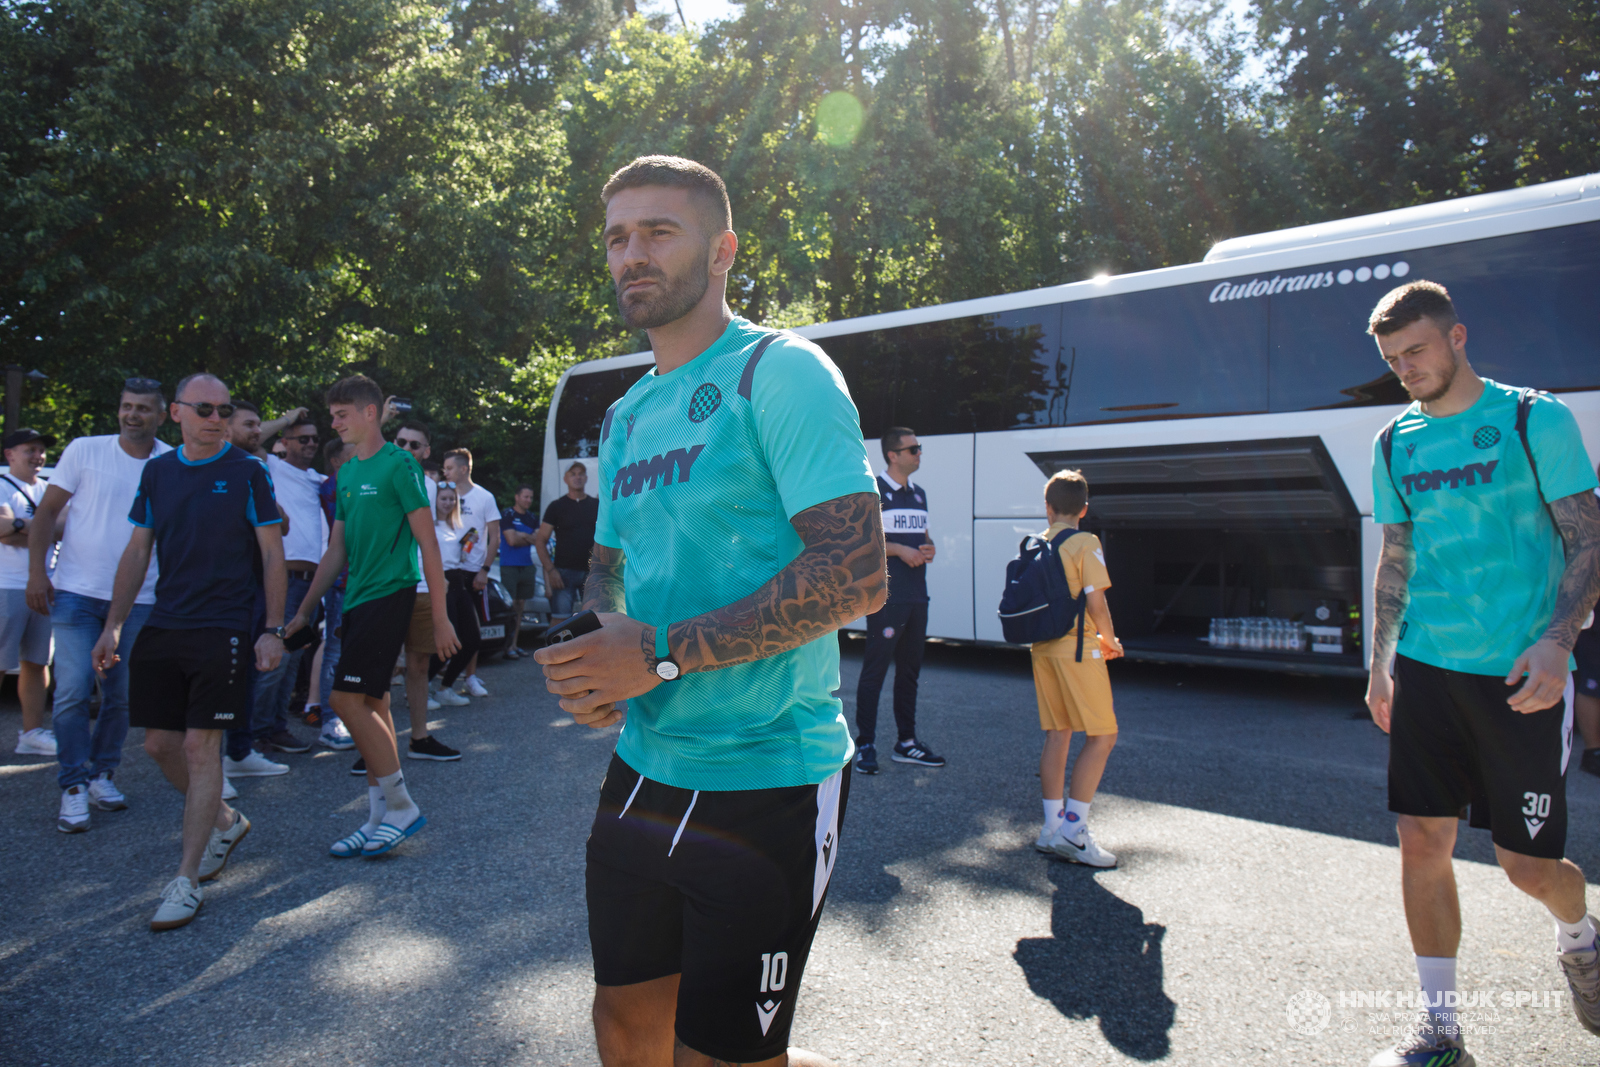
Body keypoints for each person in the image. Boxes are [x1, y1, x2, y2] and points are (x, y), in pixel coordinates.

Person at [533, 155, 885, 1067]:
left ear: (722, 249)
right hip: (645, 765)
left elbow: (854, 572)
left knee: (723, 1056)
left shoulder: (783, 371)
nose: (631, 254)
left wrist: (653, 655)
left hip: (771, 775)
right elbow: (607, 569)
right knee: (623, 1021)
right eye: (617, 237)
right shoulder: (627, 415)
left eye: (659, 231)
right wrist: (593, 652)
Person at [1362, 281, 1600, 1066]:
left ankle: (1582, 935)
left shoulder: (1535, 418)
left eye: (1417, 350)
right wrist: (1381, 663)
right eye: (1394, 360)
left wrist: (1559, 641)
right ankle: (1441, 1030)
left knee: (1528, 866)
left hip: (1519, 673)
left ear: (1458, 336)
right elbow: (1395, 557)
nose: (1407, 368)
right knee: (1420, 839)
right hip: (1428, 664)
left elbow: (1588, 541)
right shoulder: (1394, 442)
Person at [91, 373, 285, 930]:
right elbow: (137, 548)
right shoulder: (157, 471)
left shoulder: (249, 471)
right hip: (166, 621)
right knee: (157, 745)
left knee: (204, 749)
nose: (216, 418)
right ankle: (226, 820)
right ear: (176, 413)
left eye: (224, 409)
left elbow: (273, 553)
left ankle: (185, 879)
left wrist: (272, 628)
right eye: (204, 408)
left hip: (224, 625)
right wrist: (113, 625)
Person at [284, 374, 459, 858]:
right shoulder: (345, 475)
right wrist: (302, 612)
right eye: (333, 414)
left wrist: (441, 618)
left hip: (391, 594)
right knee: (375, 705)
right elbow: (335, 549)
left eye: (342, 414)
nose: (334, 423)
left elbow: (428, 544)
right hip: (356, 598)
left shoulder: (400, 465)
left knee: (344, 699)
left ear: (369, 412)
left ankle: (401, 806)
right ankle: (378, 815)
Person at [28, 378, 172, 832]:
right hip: (75, 591)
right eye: (127, 406)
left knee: (121, 695)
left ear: (162, 415)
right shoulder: (84, 450)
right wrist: (38, 573)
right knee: (71, 689)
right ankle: (72, 785)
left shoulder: (171, 462)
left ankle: (101, 774)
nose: (133, 415)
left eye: (144, 409)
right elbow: (46, 513)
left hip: (142, 598)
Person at [1029, 470, 1122, 868]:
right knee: (1103, 736)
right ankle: (1074, 830)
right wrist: (1110, 640)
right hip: (1078, 649)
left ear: (1047, 509)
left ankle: (1051, 828)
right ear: (1084, 509)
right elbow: (1096, 603)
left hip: (1042, 648)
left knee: (1057, 733)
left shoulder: (1038, 541)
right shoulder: (1086, 542)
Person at [853, 426, 941, 774]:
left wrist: (927, 548)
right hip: (886, 598)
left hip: (918, 596)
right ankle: (866, 745)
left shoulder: (919, 494)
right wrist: (901, 550)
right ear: (893, 455)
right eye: (913, 449)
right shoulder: (874, 491)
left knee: (910, 672)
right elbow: (862, 544)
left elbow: (924, 537)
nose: (919, 454)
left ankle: (906, 742)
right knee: (874, 671)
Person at [248, 413, 327, 755]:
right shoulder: (273, 469)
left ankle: (275, 729)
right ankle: (251, 735)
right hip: (287, 580)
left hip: (313, 585)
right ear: (285, 443)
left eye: (314, 439)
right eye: (302, 438)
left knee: (293, 661)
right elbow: (252, 439)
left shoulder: (318, 479)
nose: (310, 443)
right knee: (274, 659)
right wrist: (288, 418)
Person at [1, 428, 58, 756]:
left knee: (36, 662)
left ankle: (32, 733)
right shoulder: (2, 487)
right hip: (6, 586)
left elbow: (64, 526)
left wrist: (20, 525)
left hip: (45, 586)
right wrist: (41, 530)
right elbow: (2, 532)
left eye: (41, 450)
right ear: (10, 454)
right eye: (30, 450)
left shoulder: (50, 489)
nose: (38, 456)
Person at [440, 448, 497, 698]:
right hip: (448, 571)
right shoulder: (443, 496)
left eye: (449, 468)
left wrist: (484, 570)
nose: (445, 472)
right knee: (448, 627)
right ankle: (439, 680)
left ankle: (470, 677)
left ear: (464, 469)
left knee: (472, 630)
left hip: (473, 572)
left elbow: (494, 537)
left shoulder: (484, 497)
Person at [310, 436, 355, 750]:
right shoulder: (333, 487)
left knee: (352, 653)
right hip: (341, 583)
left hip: (363, 583)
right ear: (338, 460)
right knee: (335, 652)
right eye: (353, 454)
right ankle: (329, 720)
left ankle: (349, 715)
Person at [424, 483, 481, 713]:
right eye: (443, 498)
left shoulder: (458, 526)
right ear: (435, 500)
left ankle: (445, 688)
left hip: (458, 581)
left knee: (472, 639)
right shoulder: (428, 526)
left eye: (451, 499)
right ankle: (420, 687)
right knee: (449, 639)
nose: (448, 503)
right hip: (440, 582)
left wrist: (470, 543)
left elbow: (463, 556)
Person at [534, 463, 597, 625]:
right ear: (565, 479)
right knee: (559, 621)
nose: (577, 477)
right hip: (563, 574)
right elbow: (540, 540)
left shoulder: (596, 505)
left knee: (596, 620)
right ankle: (555, 651)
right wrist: (550, 570)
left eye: (581, 474)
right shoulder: (556, 507)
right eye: (573, 474)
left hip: (592, 572)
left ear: (586, 478)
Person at [498, 484, 540, 656]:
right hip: (509, 565)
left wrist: (521, 535)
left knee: (521, 607)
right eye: (525, 497)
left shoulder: (532, 517)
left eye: (531, 497)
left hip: (526, 565)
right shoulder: (507, 515)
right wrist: (526, 537)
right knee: (510, 606)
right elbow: (511, 540)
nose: (529, 500)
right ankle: (505, 646)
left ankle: (514, 644)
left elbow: (538, 539)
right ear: (517, 497)